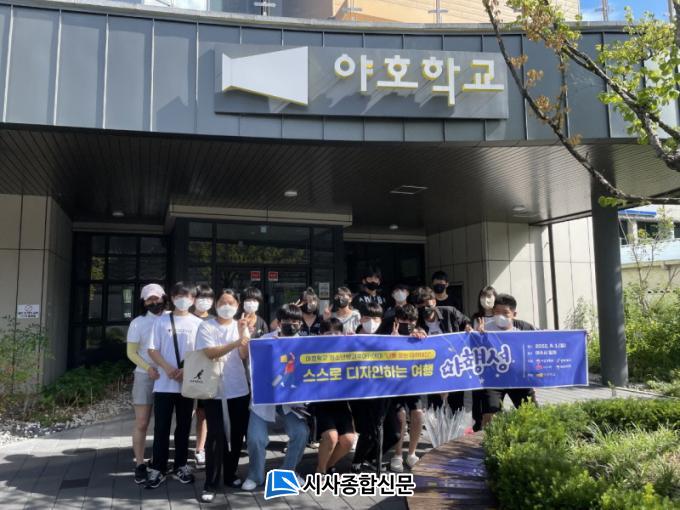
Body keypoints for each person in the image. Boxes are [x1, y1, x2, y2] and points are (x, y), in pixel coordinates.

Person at [241, 304, 310, 490]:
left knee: (301, 433)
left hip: (291, 403)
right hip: (264, 401)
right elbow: (253, 369)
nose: (291, 324)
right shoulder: (265, 341)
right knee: (256, 438)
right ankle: (255, 476)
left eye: (296, 321)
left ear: (301, 324)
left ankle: (287, 473)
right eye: (287, 320)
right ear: (279, 323)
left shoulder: (306, 344)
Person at [195, 289, 252, 502]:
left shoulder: (241, 325)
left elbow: (244, 355)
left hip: (238, 389)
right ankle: (210, 482)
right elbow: (210, 352)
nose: (226, 306)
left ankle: (230, 474)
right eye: (222, 302)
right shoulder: (206, 326)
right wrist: (237, 342)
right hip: (214, 390)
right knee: (216, 436)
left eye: (231, 302)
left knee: (236, 435)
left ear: (237, 305)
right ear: (216, 304)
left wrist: (243, 334)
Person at [146, 282, 203, 489]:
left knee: (184, 427)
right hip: (163, 384)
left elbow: (202, 353)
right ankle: (158, 468)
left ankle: (181, 465)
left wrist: (186, 370)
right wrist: (168, 368)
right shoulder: (161, 321)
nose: (183, 299)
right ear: (171, 297)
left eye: (187, 296)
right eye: (179, 295)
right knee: (161, 427)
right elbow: (152, 349)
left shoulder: (198, 323)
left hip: (187, 384)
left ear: (193, 299)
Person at [350, 303, 404, 473]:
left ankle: (371, 458)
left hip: (384, 394)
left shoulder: (387, 338)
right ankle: (357, 463)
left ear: (380, 320)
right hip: (360, 395)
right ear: (361, 319)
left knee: (394, 434)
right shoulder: (350, 338)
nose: (371, 322)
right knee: (368, 432)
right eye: (367, 318)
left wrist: (398, 342)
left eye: (375, 318)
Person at [127, 283, 167, 484]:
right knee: (142, 422)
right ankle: (140, 463)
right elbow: (131, 352)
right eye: (149, 299)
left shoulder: (171, 318)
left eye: (157, 298)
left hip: (169, 375)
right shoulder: (137, 323)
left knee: (165, 422)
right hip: (145, 375)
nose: (154, 302)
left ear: (164, 298)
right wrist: (147, 367)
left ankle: (160, 461)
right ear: (143, 302)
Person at [478, 293, 538, 428]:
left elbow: (542, 342)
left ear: (514, 314)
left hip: (518, 378)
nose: (500, 316)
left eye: (505, 313)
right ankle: (488, 439)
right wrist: (476, 335)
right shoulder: (484, 328)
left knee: (532, 416)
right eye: (497, 312)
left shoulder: (525, 328)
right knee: (489, 418)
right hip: (493, 379)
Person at [311, 318, 356, 474]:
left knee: (348, 440)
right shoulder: (311, 349)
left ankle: (329, 465)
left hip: (341, 403)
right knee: (331, 437)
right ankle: (320, 471)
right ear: (321, 335)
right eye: (328, 333)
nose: (333, 336)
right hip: (320, 403)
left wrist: (355, 342)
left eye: (337, 333)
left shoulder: (347, 349)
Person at [388, 303, 430, 472]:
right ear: (397, 320)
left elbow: (430, 350)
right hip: (395, 382)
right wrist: (392, 339)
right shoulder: (388, 330)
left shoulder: (419, 332)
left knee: (418, 413)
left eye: (412, 321)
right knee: (400, 416)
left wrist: (421, 337)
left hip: (414, 381)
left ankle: (411, 453)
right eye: (404, 321)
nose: (408, 324)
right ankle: (397, 454)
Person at [191, 284, 214, 469]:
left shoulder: (215, 320)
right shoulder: (185, 318)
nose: (204, 301)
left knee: (202, 413)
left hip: (206, 372)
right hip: (184, 370)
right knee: (184, 413)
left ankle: (200, 449)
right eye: (200, 297)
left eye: (208, 297)